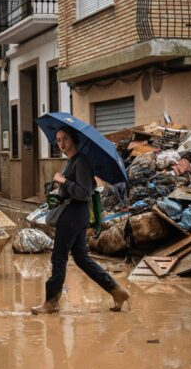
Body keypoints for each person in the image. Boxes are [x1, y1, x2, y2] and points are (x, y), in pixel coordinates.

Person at [32, 126, 130, 315]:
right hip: (74, 214)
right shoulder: (72, 162)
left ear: (74, 140)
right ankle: (117, 292)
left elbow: (84, 193)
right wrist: (58, 192)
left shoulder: (81, 162)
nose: (61, 143)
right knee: (81, 258)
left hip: (73, 216)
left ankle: (51, 302)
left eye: (65, 139)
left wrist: (63, 182)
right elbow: (71, 190)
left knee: (58, 257)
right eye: (58, 140)